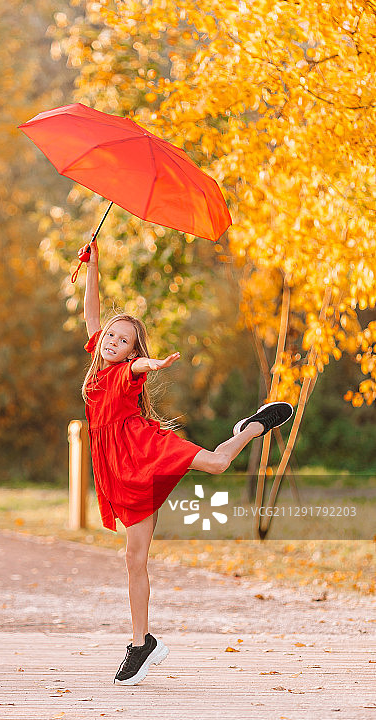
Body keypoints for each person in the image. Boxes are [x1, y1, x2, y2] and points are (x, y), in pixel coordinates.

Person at [79, 238, 293, 686]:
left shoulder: (125, 371)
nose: (114, 342)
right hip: (119, 470)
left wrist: (152, 364)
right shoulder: (99, 357)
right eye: (112, 337)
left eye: (124, 341)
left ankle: (252, 428)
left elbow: (139, 368)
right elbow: (92, 311)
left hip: (145, 448)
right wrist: (93, 265)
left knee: (216, 464)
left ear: (132, 352)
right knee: (134, 560)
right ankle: (142, 644)